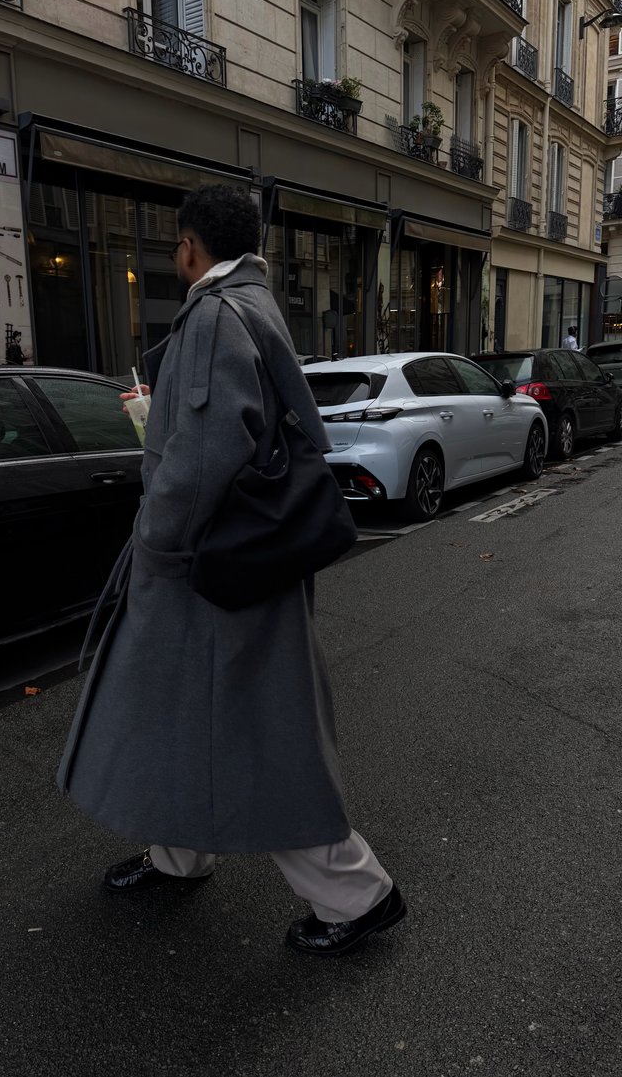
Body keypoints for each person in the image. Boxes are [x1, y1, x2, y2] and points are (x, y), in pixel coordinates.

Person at [57, 184, 405, 958]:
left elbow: (204, 456)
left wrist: (155, 544)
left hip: (209, 571)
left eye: (175, 246)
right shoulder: (254, 301)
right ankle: (179, 852)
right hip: (240, 558)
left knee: (263, 735)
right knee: (186, 719)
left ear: (188, 247)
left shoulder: (215, 315)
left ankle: (359, 893)